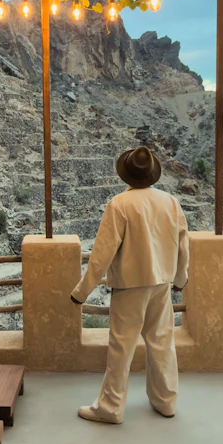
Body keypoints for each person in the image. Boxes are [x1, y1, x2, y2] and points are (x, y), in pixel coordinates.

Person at [71, 145, 189, 425]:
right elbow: (184, 244)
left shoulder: (119, 205)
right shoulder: (170, 202)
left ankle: (110, 407)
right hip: (162, 283)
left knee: (121, 347)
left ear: (127, 175)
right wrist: (181, 279)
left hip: (129, 285)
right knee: (161, 342)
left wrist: (81, 291)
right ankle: (166, 401)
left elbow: (102, 253)